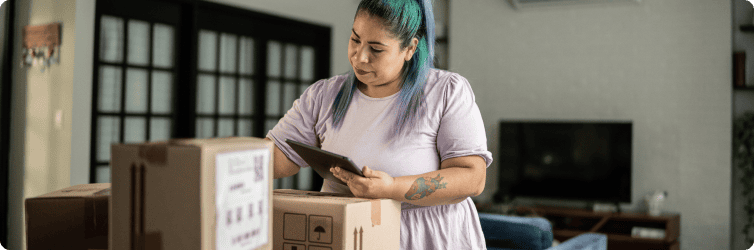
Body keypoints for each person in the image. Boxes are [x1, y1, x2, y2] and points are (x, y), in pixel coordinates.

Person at [266, 0, 492, 249]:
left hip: (427, 237)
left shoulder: (446, 92)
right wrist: (231, 166)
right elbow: (279, 158)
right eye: (355, 40)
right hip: (347, 233)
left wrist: (391, 188)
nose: (360, 57)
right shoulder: (324, 96)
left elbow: (472, 177)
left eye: (376, 49)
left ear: (410, 48)